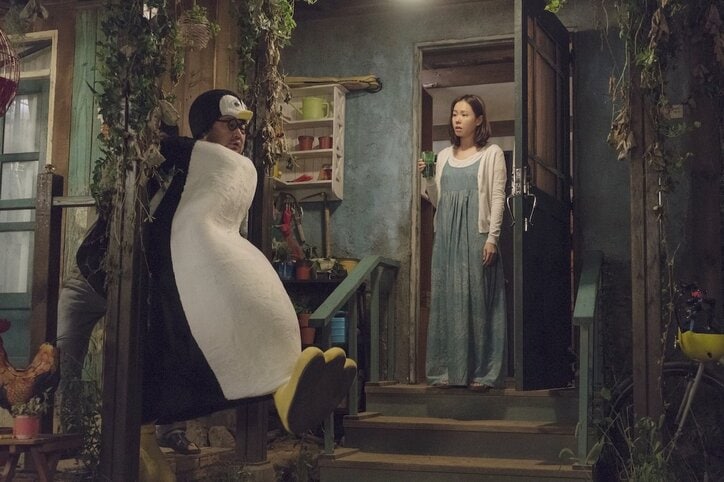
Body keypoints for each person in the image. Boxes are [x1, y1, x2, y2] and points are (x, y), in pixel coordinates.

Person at [419, 94, 507, 392]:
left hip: (477, 235)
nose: (457, 119)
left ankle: (482, 373)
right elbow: (437, 201)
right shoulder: (443, 155)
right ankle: (446, 370)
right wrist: (428, 177)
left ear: (479, 120)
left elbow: (498, 198)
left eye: (465, 114)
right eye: (455, 113)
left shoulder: (492, 153)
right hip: (446, 236)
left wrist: (492, 238)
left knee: (479, 302)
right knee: (447, 299)